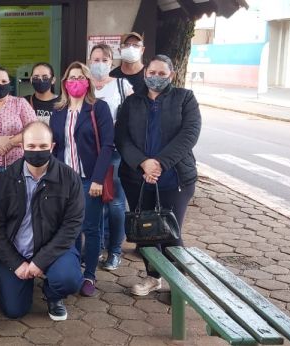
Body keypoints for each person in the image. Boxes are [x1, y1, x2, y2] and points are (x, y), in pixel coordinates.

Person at [115, 55, 202, 296]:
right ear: (145, 74)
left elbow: (189, 134)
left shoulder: (185, 98)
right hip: (137, 179)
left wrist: (159, 164)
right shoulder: (131, 103)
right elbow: (121, 138)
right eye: (152, 72)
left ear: (171, 75)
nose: (156, 77)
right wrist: (143, 163)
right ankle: (153, 278)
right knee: (145, 233)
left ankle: (180, 287)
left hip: (174, 179)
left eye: (162, 73)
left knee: (171, 234)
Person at [0, 122, 85, 321]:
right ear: (22, 146)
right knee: (14, 310)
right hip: (17, 251)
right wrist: (16, 264)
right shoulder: (4, 180)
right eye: (31, 146)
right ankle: (20, 282)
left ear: (52, 146)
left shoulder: (69, 179)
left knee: (68, 279)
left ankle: (53, 295)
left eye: (43, 146)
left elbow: (72, 225)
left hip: (53, 250)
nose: (37, 151)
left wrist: (40, 261)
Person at [50, 62, 114, 297]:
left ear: (87, 82)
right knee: (71, 228)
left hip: (89, 180)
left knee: (91, 227)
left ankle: (90, 275)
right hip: (65, 180)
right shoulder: (58, 111)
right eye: (71, 77)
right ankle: (74, 270)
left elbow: (107, 145)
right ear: (64, 82)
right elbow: (55, 147)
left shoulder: (98, 108)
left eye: (80, 77)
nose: (75, 81)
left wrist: (97, 179)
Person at [90, 44, 134, 271]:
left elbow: (132, 116)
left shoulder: (121, 85)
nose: (99, 63)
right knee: (94, 201)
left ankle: (114, 250)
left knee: (115, 202)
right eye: (95, 59)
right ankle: (96, 247)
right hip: (90, 152)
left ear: (111, 62)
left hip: (114, 151)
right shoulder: (86, 86)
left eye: (104, 59)